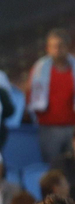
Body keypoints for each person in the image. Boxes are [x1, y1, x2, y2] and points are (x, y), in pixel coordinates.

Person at [31, 30, 75, 167]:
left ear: (67, 47)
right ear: (47, 48)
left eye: (61, 45)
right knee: (52, 167)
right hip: (48, 128)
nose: (57, 50)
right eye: (53, 46)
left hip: (72, 128)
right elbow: (30, 96)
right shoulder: (39, 69)